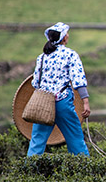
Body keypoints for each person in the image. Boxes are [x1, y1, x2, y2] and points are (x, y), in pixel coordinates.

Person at [27, 22, 91, 156]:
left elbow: (35, 82)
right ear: (63, 38)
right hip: (62, 102)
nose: (68, 35)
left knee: (37, 141)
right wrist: (85, 102)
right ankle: (84, 168)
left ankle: (28, 171)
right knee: (75, 137)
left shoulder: (42, 57)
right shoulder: (70, 55)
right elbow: (78, 79)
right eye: (67, 33)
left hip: (43, 103)